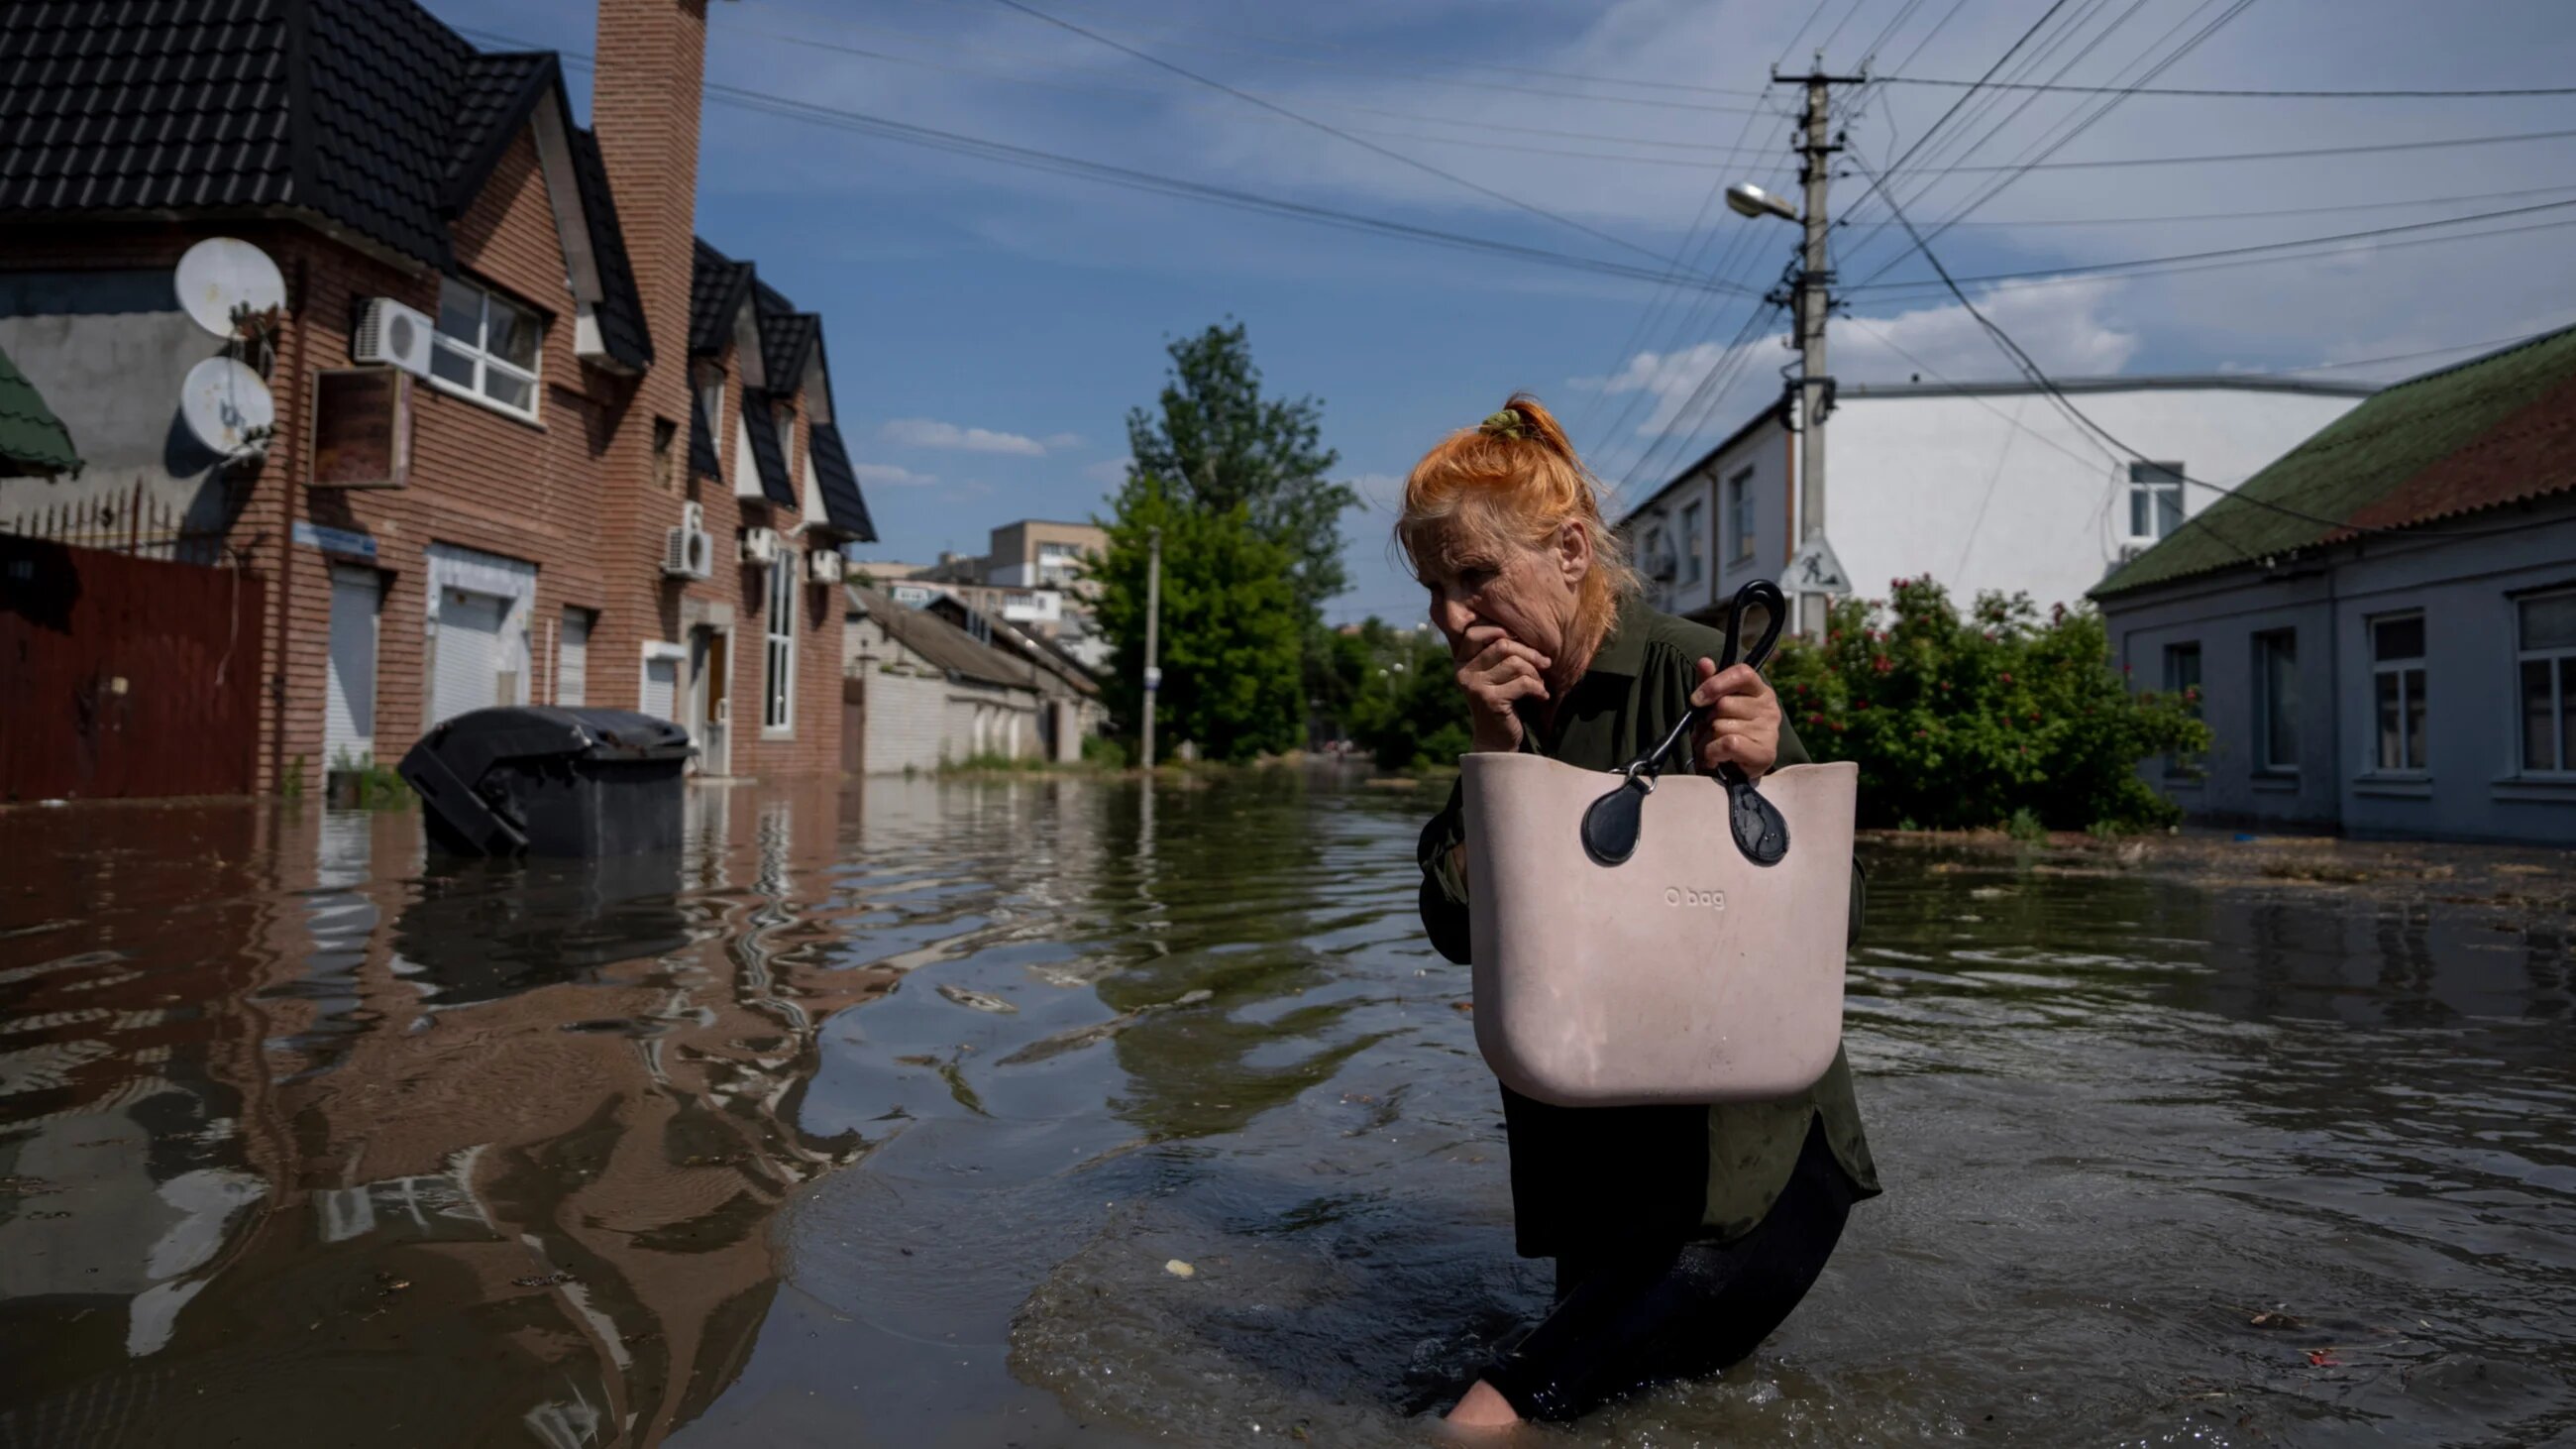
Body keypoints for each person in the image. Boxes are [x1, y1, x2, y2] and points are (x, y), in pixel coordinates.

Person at [1401, 395, 1879, 1427]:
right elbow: (1453, 934)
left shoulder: (1690, 668)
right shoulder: (1510, 709)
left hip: (1743, 1180)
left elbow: (1835, 920)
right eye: (1432, 588)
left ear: (1569, 549)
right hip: (1601, 1179)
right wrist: (1492, 759)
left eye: (1473, 576)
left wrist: (1761, 767)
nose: (1449, 615)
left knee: (1482, 1421)